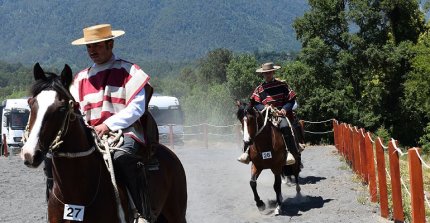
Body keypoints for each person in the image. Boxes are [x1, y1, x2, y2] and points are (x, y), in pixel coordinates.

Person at [45, 24, 152, 223]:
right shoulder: (80, 79)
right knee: (53, 158)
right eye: (89, 47)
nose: (92, 51)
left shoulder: (130, 71)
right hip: (91, 133)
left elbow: (137, 108)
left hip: (124, 132)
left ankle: (139, 212)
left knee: (121, 157)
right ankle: (56, 208)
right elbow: (75, 112)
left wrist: (108, 125)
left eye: (97, 45)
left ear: (110, 44)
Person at [237, 62, 302, 165]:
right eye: (265, 73)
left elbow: (291, 100)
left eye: (269, 73)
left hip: (279, 114)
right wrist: (264, 107)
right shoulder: (259, 89)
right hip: (264, 115)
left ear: (273, 72)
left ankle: (289, 152)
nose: (267, 75)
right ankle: (247, 153)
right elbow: (255, 103)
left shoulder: (282, 85)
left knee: (285, 126)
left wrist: (285, 109)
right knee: (251, 128)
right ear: (263, 74)